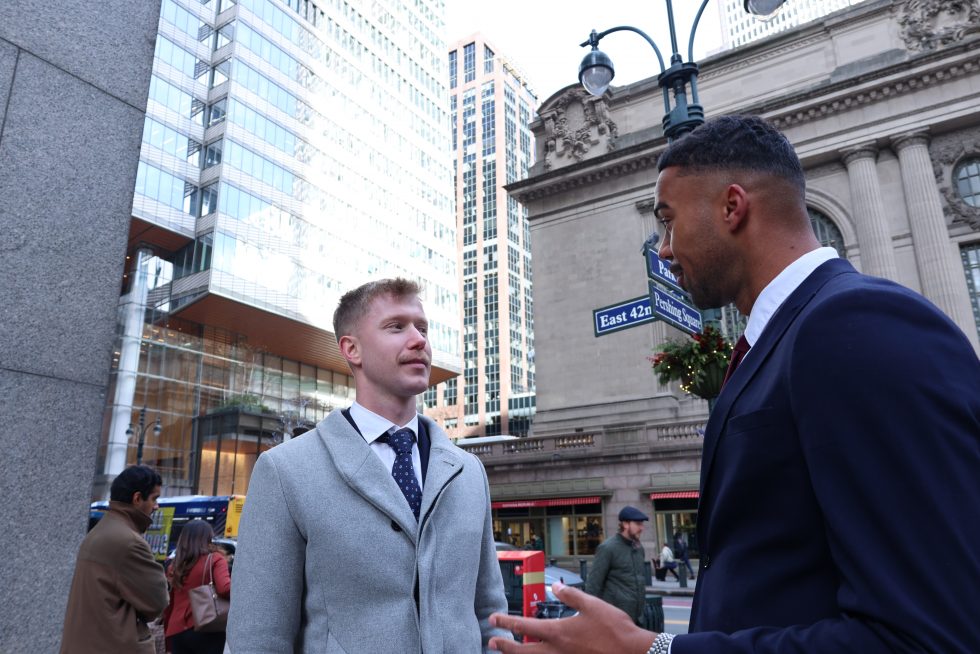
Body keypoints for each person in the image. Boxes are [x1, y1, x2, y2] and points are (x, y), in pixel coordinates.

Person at [487, 115, 980, 653]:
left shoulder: (854, 324)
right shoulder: (783, 340)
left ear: (731, 206)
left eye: (669, 222)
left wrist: (653, 651)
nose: (665, 250)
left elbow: (930, 635)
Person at [228, 278, 510, 653]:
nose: (419, 340)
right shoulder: (285, 471)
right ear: (351, 349)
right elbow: (257, 639)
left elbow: (489, 613)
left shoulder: (469, 471)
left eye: (422, 328)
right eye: (396, 327)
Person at [60, 465, 169, 654]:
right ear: (137, 498)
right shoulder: (129, 542)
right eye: (154, 498)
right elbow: (158, 602)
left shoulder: (99, 532)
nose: (156, 506)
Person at [163, 520, 231, 654]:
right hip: (206, 627)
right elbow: (225, 588)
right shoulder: (215, 559)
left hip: (176, 631)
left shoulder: (174, 565)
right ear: (208, 537)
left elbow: (170, 601)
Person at [584, 506, 650, 626]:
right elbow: (593, 585)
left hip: (637, 619)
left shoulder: (639, 549)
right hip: (615, 620)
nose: (642, 528)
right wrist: (589, 616)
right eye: (638, 523)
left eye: (642, 524)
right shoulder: (607, 548)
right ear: (625, 524)